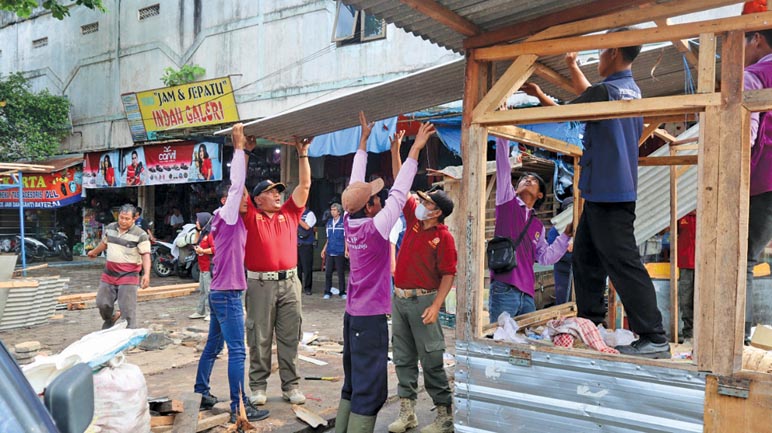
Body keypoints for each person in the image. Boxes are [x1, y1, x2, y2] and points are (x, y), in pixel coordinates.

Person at [522, 28, 669, 358]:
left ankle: (654, 336)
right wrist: (572, 67)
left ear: (614, 51)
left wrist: (537, 97)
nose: (599, 57)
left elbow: (566, 114)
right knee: (585, 257)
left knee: (623, 262)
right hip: (607, 191)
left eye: (602, 51)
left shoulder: (607, 92)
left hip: (609, 193)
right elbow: (589, 96)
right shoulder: (629, 91)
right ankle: (591, 322)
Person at [333, 112, 435, 433]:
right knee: (369, 391)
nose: (381, 197)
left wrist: (363, 141)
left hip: (352, 317)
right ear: (370, 206)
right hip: (370, 320)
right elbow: (401, 190)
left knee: (352, 385)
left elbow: (354, 185)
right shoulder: (377, 229)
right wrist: (415, 149)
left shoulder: (350, 220)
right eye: (376, 197)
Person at [192, 124, 270, 424]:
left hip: (220, 292)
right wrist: (238, 148)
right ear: (227, 200)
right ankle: (240, 406)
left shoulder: (226, 218)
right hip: (227, 294)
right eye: (239, 197)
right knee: (238, 351)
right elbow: (237, 185)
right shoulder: (227, 214)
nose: (246, 200)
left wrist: (247, 152)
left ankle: (201, 391)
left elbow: (240, 188)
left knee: (214, 345)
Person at [388, 126, 457, 433]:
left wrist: (437, 305)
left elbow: (448, 274)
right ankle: (408, 413)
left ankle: (444, 416)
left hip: (424, 300)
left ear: (436, 212)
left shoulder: (443, 238)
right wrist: (397, 151)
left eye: (426, 203)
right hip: (400, 299)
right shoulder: (414, 224)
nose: (420, 205)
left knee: (431, 359)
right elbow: (400, 185)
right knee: (402, 359)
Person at [242, 134, 312, 407]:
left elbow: (305, 184)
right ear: (258, 198)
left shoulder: (290, 213)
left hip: (290, 282)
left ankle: (291, 386)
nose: (277, 194)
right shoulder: (251, 216)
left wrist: (302, 153)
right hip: (261, 284)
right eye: (271, 192)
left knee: (289, 336)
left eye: (278, 191)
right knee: (259, 336)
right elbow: (238, 188)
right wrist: (245, 153)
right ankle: (258, 386)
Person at [487, 137, 572, 323]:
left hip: (527, 293)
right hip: (504, 287)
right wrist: (503, 138)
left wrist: (565, 235)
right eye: (525, 178)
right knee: (502, 341)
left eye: (533, 180)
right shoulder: (506, 202)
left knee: (527, 342)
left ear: (540, 194)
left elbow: (545, 257)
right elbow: (503, 168)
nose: (527, 179)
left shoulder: (537, 226)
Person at [743, 28, 772, 343]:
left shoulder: (756, 74)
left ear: (757, 39)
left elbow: (744, 134)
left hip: (764, 180)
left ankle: (736, 341)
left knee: (744, 261)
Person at [87, 203, 151, 329]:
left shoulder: (141, 235)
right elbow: (104, 243)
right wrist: (94, 252)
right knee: (102, 303)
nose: (123, 221)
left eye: (127, 219)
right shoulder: (110, 228)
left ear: (134, 219)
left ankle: (130, 333)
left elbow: (146, 255)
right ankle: (109, 318)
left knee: (127, 308)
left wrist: (146, 274)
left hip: (129, 275)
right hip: (109, 273)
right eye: (121, 217)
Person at [547, 198, 574, 306]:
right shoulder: (556, 229)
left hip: (579, 269)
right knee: (563, 299)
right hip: (563, 269)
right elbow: (551, 248)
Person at [189, 212, 214, 321]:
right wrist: (197, 231)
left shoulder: (211, 234)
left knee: (208, 290)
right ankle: (200, 311)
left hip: (209, 266)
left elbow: (215, 249)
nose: (196, 222)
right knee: (202, 290)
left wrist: (203, 250)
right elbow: (195, 243)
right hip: (202, 267)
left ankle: (210, 312)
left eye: (198, 220)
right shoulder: (203, 234)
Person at [676, 211, 696, 343]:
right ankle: (688, 334)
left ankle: (703, 334)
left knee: (703, 300)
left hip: (706, 263)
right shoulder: (681, 213)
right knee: (685, 300)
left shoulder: (709, 212)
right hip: (685, 264)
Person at [321, 203, 347, 299]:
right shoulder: (329, 223)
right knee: (328, 272)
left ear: (339, 212)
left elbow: (346, 238)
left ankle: (342, 292)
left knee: (340, 272)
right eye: (332, 210)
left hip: (339, 250)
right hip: (330, 250)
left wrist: (346, 249)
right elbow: (328, 238)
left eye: (334, 210)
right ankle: (327, 291)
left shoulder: (343, 222)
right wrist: (324, 249)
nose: (332, 212)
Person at [297, 208, 317, 295]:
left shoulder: (310, 214)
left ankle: (308, 288)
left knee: (307, 268)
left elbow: (307, 226)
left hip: (306, 245)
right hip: (296, 244)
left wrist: (297, 218)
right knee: (297, 268)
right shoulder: (296, 213)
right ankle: (298, 287)